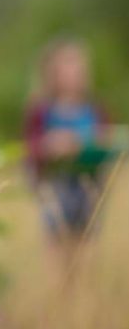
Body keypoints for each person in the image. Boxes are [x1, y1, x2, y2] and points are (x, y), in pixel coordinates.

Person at [24, 38, 114, 240]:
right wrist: (50, 145)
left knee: (87, 245)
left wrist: (86, 143)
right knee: (57, 244)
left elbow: (108, 142)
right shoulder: (41, 111)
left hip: (90, 188)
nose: (73, 74)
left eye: (78, 68)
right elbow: (29, 148)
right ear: (52, 73)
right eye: (67, 67)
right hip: (56, 189)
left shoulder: (96, 109)